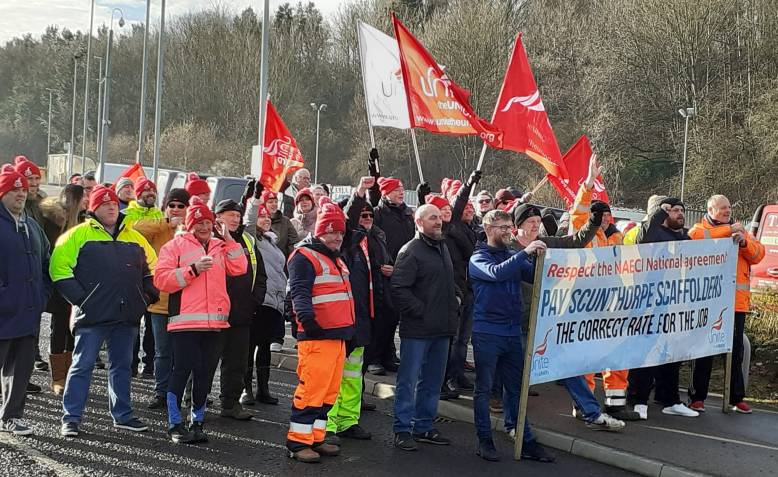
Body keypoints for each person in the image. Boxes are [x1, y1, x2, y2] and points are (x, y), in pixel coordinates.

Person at [50, 185, 158, 437]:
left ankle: (122, 415)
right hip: (91, 317)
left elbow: (153, 268)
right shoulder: (76, 235)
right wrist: (83, 301)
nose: (111, 207)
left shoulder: (134, 237)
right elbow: (59, 270)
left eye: (113, 204)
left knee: (122, 366)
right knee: (81, 366)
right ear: (93, 208)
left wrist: (146, 297)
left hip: (126, 316)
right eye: (104, 204)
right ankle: (71, 418)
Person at [507, 203, 626, 433]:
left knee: (568, 367)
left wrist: (593, 220)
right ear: (517, 226)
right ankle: (513, 424)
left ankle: (591, 413)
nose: (535, 227)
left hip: (544, 322)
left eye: (537, 223)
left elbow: (574, 242)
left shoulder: (546, 244)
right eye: (530, 223)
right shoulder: (509, 249)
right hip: (517, 323)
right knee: (515, 377)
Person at [153, 197, 248, 444]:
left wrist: (228, 239)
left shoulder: (220, 246)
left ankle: (197, 422)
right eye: (198, 223)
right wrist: (192, 270)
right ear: (189, 225)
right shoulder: (175, 246)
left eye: (207, 222)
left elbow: (240, 267)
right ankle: (175, 424)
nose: (204, 227)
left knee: (205, 374)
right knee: (182, 371)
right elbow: (161, 280)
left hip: (215, 324)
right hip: (184, 323)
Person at [469, 210, 554, 462]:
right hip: (487, 332)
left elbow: (533, 276)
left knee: (516, 389)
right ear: (488, 229)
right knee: (483, 390)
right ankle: (484, 440)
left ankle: (526, 440)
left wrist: (543, 260)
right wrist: (524, 253)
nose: (507, 231)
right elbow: (497, 273)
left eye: (509, 226)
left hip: (512, 331)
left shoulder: (511, 255)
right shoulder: (478, 257)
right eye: (501, 227)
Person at [286, 199, 355, 463]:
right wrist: (309, 323)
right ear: (319, 231)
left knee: (328, 392)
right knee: (312, 391)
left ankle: (316, 437)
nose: (337, 236)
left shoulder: (334, 257)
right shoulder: (305, 256)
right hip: (317, 336)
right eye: (331, 231)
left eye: (340, 232)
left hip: (335, 336)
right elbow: (299, 294)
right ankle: (298, 442)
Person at [570, 155, 636, 421]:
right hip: (589, 303)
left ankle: (616, 402)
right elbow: (578, 212)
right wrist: (588, 184)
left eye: (608, 213)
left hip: (615, 302)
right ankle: (583, 404)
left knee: (619, 352)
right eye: (601, 214)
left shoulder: (619, 238)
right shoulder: (584, 233)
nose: (606, 218)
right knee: (587, 356)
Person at [687, 194, 765, 413]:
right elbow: (698, 239)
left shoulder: (740, 232)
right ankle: (697, 397)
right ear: (710, 210)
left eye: (729, 207)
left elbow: (759, 254)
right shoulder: (699, 229)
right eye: (722, 208)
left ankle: (735, 397)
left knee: (736, 350)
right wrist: (729, 231)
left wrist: (743, 243)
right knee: (703, 349)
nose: (727, 211)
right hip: (708, 301)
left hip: (735, 304)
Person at [391, 204, 460, 451]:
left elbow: (448, 282)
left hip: (442, 329)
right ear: (419, 222)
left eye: (440, 218)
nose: (439, 222)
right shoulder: (410, 251)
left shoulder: (442, 247)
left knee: (432, 381)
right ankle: (402, 429)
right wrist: (422, 312)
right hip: (418, 330)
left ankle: (423, 426)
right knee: (408, 381)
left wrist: (456, 299)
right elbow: (399, 289)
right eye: (433, 218)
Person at [323, 177, 385, 442]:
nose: (365, 218)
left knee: (352, 376)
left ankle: (349, 420)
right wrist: (359, 193)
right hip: (340, 323)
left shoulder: (363, 245)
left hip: (359, 321)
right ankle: (328, 424)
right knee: (334, 377)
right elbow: (347, 219)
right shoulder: (344, 245)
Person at [628, 197, 699, 419]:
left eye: (682, 210)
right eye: (674, 210)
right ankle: (638, 399)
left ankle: (670, 399)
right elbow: (644, 238)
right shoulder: (654, 233)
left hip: (674, 303)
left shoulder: (684, 237)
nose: (680, 213)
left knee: (672, 353)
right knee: (646, 351)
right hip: (649, 303)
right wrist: (659, 212)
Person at [0, 169, 50, 436]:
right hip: (3, 313)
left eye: (22, 190)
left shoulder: (31, 224)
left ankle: (12, 415)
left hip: (29, 313)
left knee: (20, 370)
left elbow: (46, 263)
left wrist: (42, 294)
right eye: (13, 189)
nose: (20, 193)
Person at [209, 198, 267, 421]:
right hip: (212, 314)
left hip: (241, 313)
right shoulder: (209, 239)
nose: (235, 219)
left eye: (237, 215)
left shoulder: (248, 240)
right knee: (206, 362)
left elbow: (259, 273)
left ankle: (230, 404)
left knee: (237, 363)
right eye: (229, 215)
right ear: (218, 217)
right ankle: (196, 403)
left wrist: (254, 301)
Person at [132, 188, 190, 410]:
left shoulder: (192, 229)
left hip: (186, 302)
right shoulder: (159, 225)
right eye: (172, 205)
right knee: (162, 351)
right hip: (160, 301)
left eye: (180, 206)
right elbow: (137, 228)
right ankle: (161, 392)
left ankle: (183, 392)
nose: (176, 210)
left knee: (183, 352)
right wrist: (166, 222)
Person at [39, 184, 87, 395]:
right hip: (60, 281)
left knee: (73, 329)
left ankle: (69, 374)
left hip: (79, 282)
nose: (87, 201)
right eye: (84, 197)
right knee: (59, 328)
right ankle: (58, 377)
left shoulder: (86, 221)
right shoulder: (53, 221)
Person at [242, 198, 285, 406]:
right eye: (262, 216)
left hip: (274, 302)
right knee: (249, 347)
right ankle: (246, 389)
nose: (266, 220)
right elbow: (248, 221)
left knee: (265, 347)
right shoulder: (251, 238)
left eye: (267, 216)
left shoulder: (271, 242)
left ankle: (263, 389)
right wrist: (255, 198)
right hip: (258, 300)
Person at [124, 177, 163, 377]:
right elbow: (138, 229)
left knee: (151, 325)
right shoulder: (128, 214)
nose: (150, 194)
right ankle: (130, 364)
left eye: (152, 191)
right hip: (132, 275)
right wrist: (162, 224)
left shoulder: (160, 214)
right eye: (146, 191)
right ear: (138, 194)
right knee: (132, 322)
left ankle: (149, 365)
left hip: (153, 275)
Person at [14, 156, 49, 372]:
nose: (34, 183)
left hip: (34, 277)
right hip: (14, 280)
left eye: (37, 178)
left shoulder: (43, 204)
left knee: (30, 328)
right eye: (29, 178)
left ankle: (24, 374)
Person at [254, 188, 297, 352]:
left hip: (280, 274)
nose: (273, 204)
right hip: (262, 285)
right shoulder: (255, 236)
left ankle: (277, 338)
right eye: (269, 201)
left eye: (275, 201)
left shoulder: (285, 222)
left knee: (278, 307)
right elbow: (250, 223)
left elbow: (295, 241)